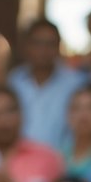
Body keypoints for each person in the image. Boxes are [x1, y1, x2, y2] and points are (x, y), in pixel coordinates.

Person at [8, 18, 85, 149]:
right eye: (37, 43)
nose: (43, 50)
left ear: (59, 47)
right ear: (27, 46)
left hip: (63, 163)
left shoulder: (76, 83)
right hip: (19, 162)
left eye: (50, 44)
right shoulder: (13, 81)